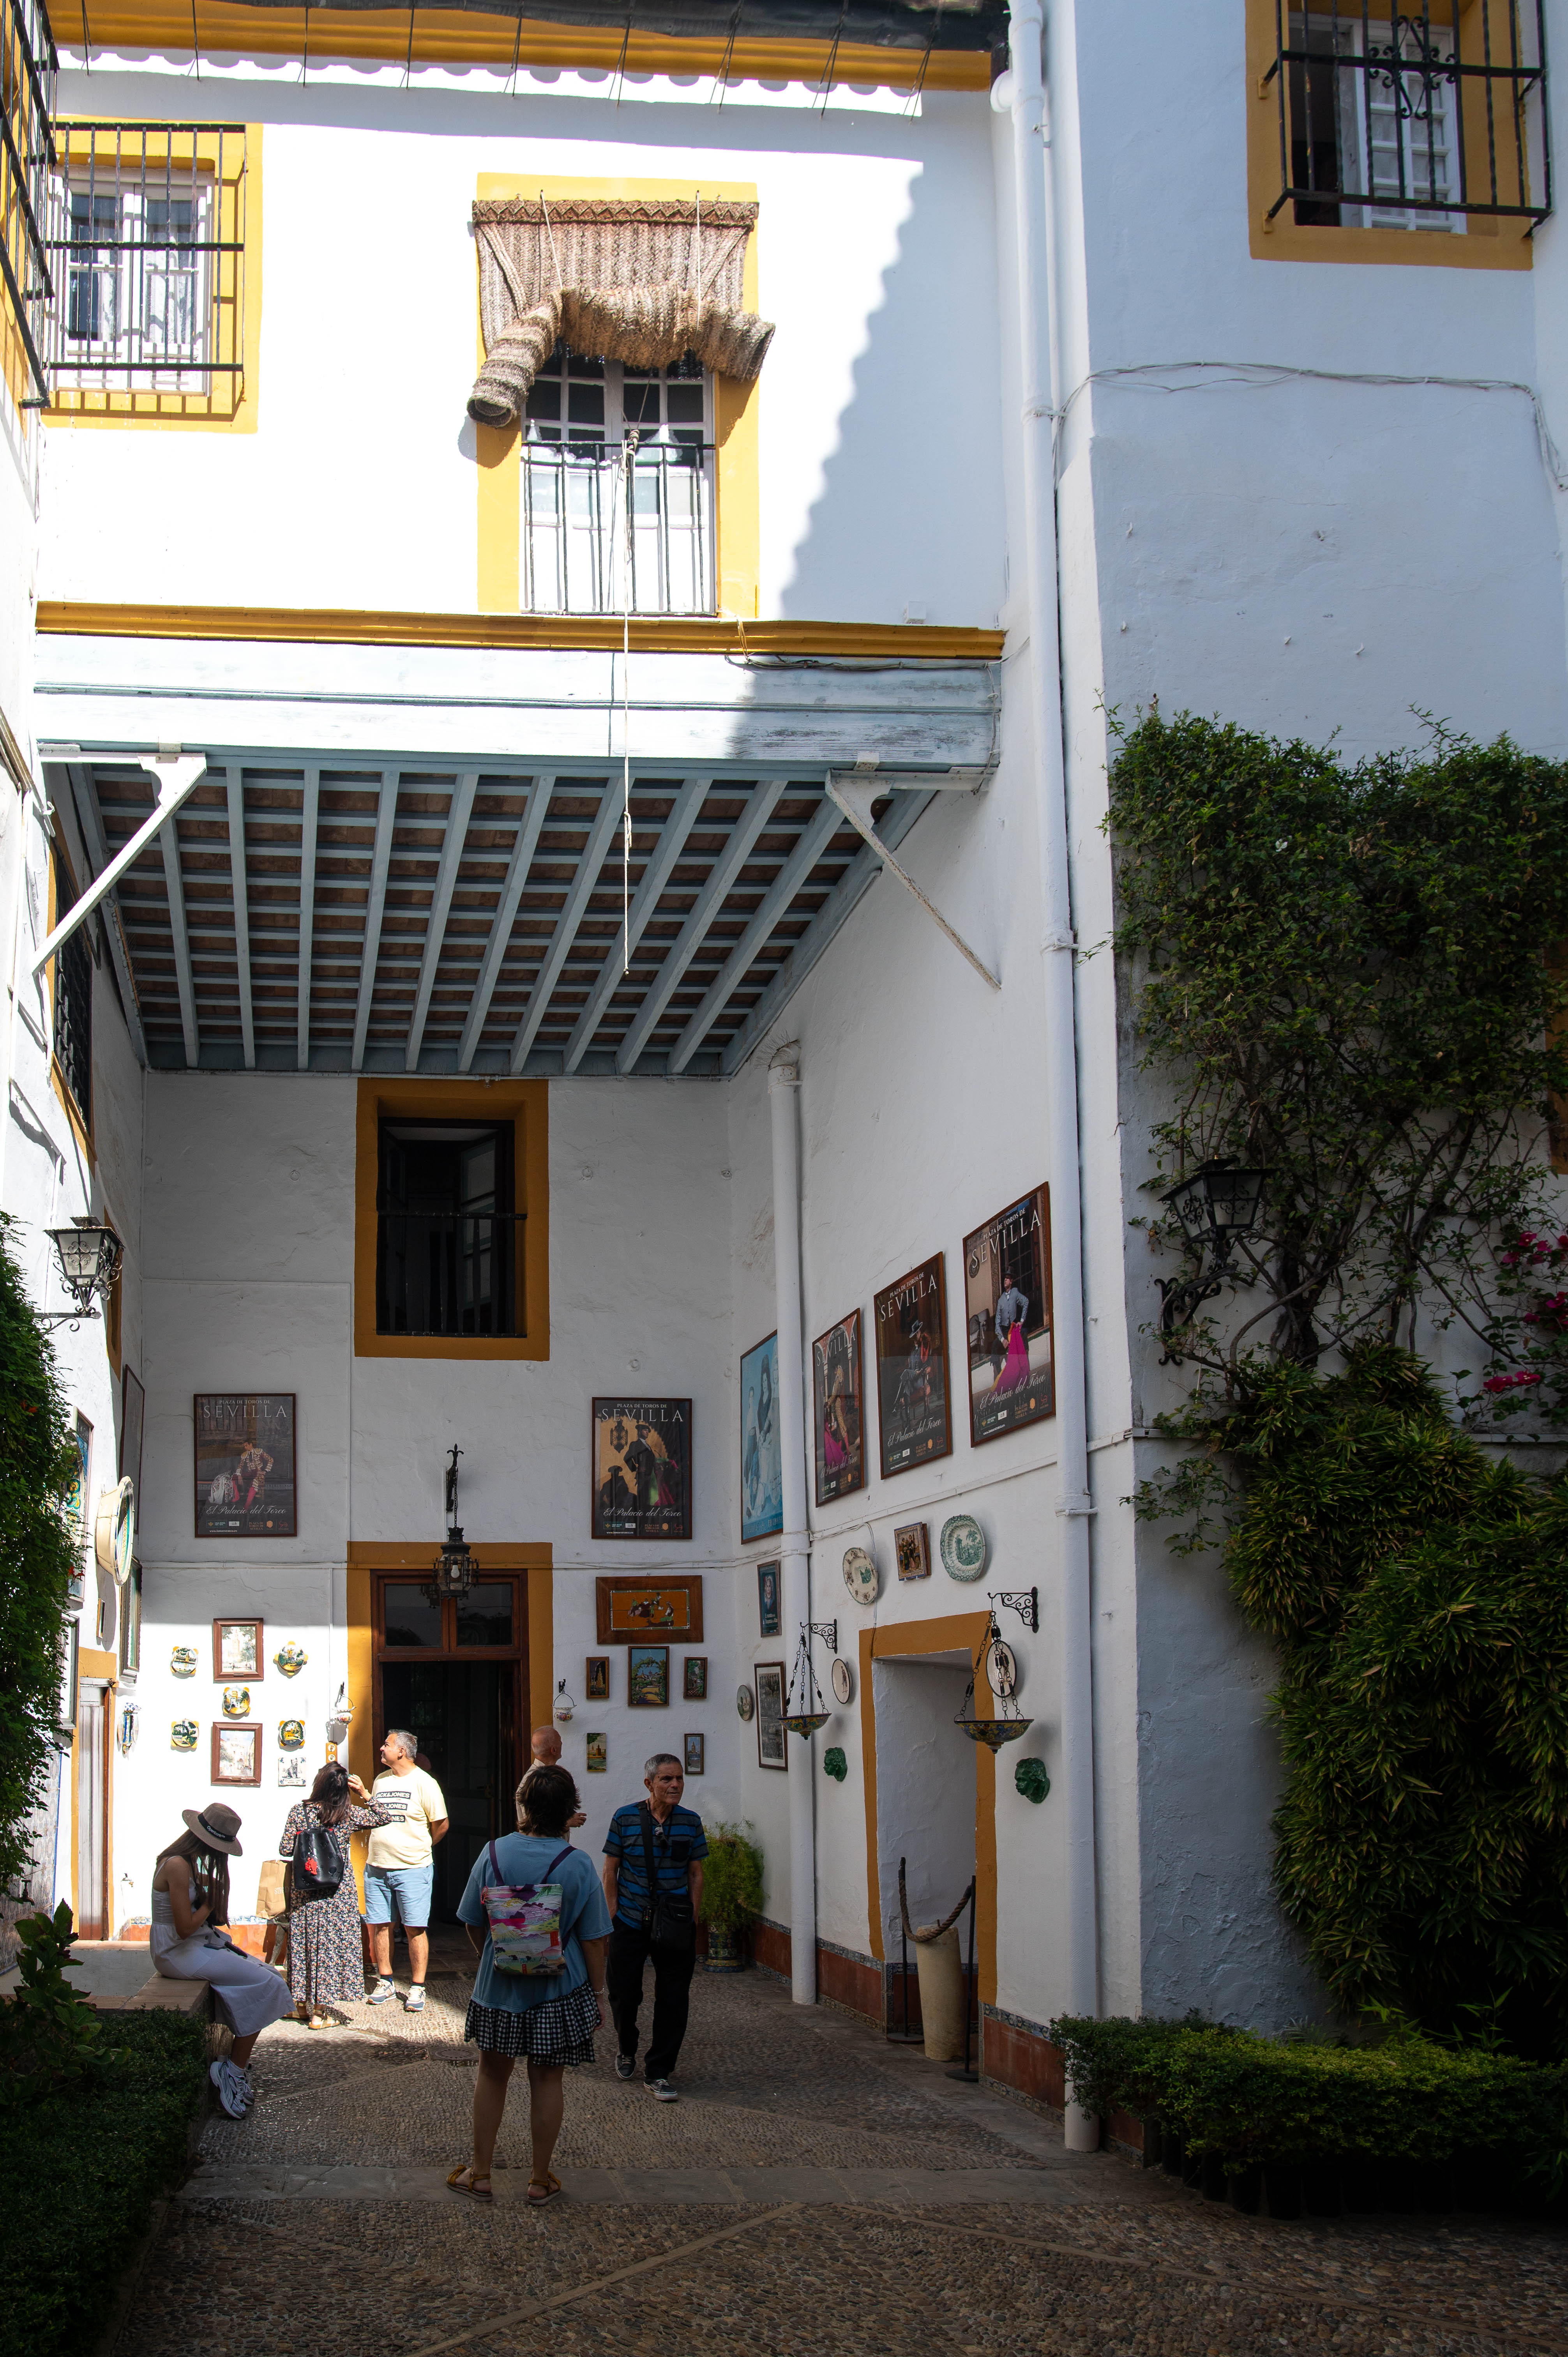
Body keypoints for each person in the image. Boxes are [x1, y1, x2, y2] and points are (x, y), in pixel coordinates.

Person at [449, 1762, 610, 2208]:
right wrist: (598, 1995)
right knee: (546, 2079)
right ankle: (540, 2179)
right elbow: (595, 1939)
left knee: (491, 2073)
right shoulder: (577, 1863)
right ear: (569, 1811)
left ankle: (480, 2173)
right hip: (559, 1991)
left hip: (498, 1989)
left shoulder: (494, 1853)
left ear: (525, 1805)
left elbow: (472, 1921)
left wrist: (497, 1954)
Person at [150, 1802, 295, 2118]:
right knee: (269, 1983)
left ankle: (235, 2066)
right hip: (176, 1953)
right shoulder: (177, 1865)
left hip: (192, 1947)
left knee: (268, 1975)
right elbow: (185, 1928)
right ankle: (233, 2071)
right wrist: (212, 1900)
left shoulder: (184, 1862)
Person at [602, 1752, 706, 2101]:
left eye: (678, 1779)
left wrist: (692, 1918)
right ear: (649, 1783)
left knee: (674, 1999)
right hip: (630, 1920)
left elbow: (696, 1872)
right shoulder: (625, 1818)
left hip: (675, 1924)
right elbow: (610, 1870)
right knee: (624, 1993)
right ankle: (626, 2046)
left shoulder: (691, 1822)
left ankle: (659, 2070)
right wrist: (614, 1913)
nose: (675, 1785)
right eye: (666, 1779)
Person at [278, 1763, 392, 2028]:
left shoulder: (299, 1811)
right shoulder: (347, 1814)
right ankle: (320, 2013)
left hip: (305, 1893)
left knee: (306, 1944)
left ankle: (302, 2006)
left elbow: (285, 1849)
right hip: (337, 1893)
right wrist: (365, 1793)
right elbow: (384, 1817)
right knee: (330, 1947)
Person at [366, 1728, 449, 2012]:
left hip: (413, 1868)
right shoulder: (380, 1781)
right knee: (381, 1925)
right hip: (377, 1866)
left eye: (386, 1745)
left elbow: (441, 1824)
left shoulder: (426, 1783)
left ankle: (417, 1987)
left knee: (415, 1928)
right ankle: (385, 1980)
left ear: (401, 1751)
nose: (381, 1748)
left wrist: (421, 1847)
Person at [531, 1725, 586, 1827]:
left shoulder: (549, 1774)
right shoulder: (534, 1780)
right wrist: (566, 1823)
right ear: (554, 1750)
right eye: (560, 1741)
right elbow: (533, 1824)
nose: (562, 1743)